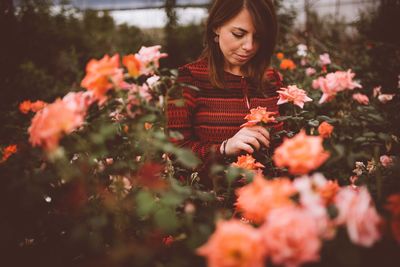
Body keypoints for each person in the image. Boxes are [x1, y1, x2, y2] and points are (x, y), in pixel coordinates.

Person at [167, 0, 283, 180]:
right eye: (239, 34)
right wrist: (223, 149)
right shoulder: (188, 79)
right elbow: (175, 154)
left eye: (258, 37)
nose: (249, 46)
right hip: (212, 203)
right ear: (217, 26)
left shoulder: (273, 80)